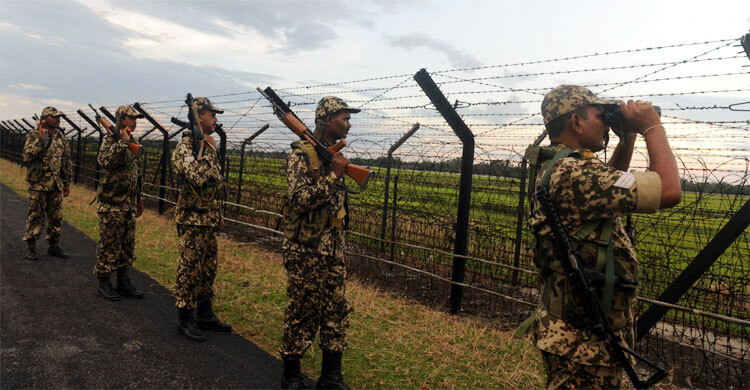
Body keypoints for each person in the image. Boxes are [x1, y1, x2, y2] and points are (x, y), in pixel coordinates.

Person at [523, 85, 681, 389]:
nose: (606, 124)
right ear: (577, 122)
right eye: (600, 116)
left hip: (569, 328)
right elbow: (670, 191)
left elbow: (603, 193)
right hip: (582, 341)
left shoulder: (556, 165)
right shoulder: (575, 171)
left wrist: (628, 138)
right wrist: (652, 128)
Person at [279, 96, 358, 390]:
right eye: (344, 119)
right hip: (306, 250)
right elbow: (299, 199)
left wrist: (340, 245)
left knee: (336, 311)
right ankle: (292, 375)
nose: (349, 124)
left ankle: (331, 377)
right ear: (326, 121)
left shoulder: (331, 155)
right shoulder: (301, 156)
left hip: (333, 249)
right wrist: (333, 176)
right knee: (302, 311)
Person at [170, 97, 231, 342]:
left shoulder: (207, 146)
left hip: (208, 219)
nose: (216, 119)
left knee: (208, 269)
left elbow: (216, 185)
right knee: (190, 269)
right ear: (200, 117)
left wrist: (218, 214)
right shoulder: (185, 149)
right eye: (212, 115)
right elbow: (198, 176)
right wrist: (205, 148)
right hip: (192, 220)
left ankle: (205, 314)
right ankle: (185, 318)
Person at [93, 105, 145, 301]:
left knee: (127, 245)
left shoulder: (133, 141)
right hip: (112, 204)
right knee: (109, 244)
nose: (134, 121)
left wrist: (139, 199)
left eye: (135, 118)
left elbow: (136, 173)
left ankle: (123, 282)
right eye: (131, 118)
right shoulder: (110, 141)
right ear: (121, 119)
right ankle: (104, 282)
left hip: (128, 204)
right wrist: (121, 143)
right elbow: (104, 161)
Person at [22, 106, 73, 260]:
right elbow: (27, 156)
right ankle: (31, 246)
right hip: (38, 183)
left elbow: (66, 160)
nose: (58, 119)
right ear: (45, 119)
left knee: (56, 216)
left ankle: (54, 246)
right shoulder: (34, 135)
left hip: (55, 184)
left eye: (59, 117)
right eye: (54, 117)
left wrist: (66, 182)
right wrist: (39, 139)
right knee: (36, 215)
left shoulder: (60, 137)